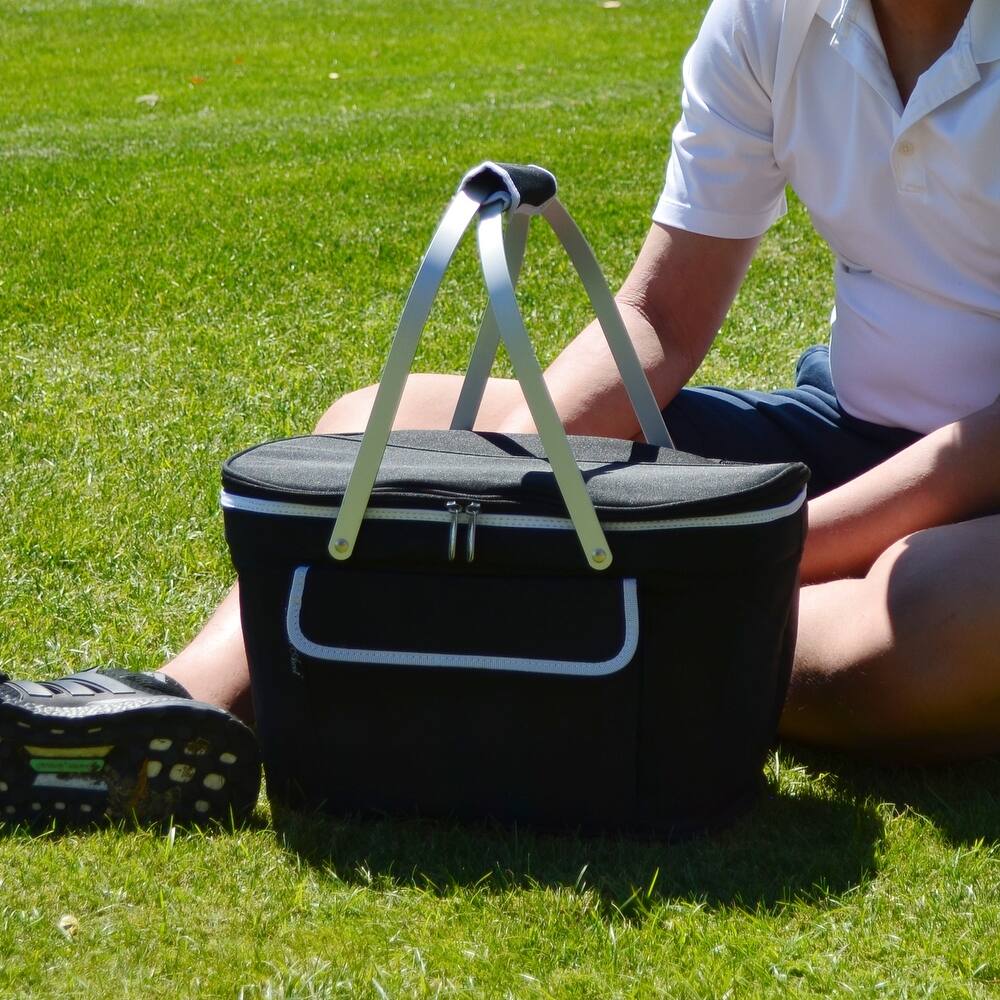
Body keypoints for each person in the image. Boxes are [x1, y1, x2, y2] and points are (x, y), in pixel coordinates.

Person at [2, 0, 997, 825]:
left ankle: (514, 644)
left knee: (936, 632)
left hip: (971, 508)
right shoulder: (772, 19)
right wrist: (507, 492)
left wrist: (770, 544)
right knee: (382, 431)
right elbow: (658, 319)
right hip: (840, 425)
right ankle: (179, 705)